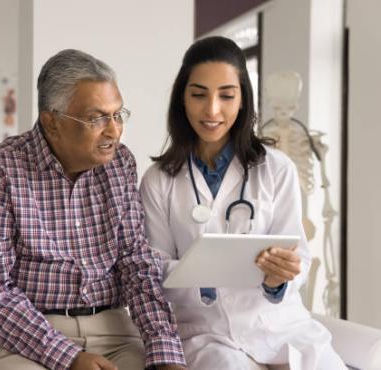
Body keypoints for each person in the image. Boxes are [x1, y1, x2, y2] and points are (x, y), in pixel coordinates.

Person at [0, 49, 186, 370]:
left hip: (114, 334)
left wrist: (166, 354)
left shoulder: (121, 164)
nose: (114, 130)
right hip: (25, 336)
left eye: (118, 115)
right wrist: (67, 357)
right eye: (97, 118)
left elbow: (136, 263)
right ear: (52, 122)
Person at [139, 36, 346, 370]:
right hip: (205, 335)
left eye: (226, 95)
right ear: (182, 99)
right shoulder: (158, 180)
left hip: (280, 328)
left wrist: (280, 277)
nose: (212, 110)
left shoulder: (276, 169)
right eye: (198, 95)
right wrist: (206, 269)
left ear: (243, 99)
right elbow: (153, 271)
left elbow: (299, 258)